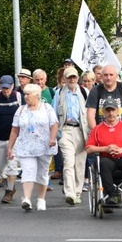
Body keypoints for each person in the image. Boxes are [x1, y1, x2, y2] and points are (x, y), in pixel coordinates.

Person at [7, 83, 59, 211]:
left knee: (42, 173)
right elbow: (14, 130)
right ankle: (27, 199)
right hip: (26, 146)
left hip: (44, 146)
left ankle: (41, 199)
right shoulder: (20, 110)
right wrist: (10, 147)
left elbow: (54, 125)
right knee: (28, 171)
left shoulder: (47, 108)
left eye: (28, 94)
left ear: (36, 96)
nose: (25, 97)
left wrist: (52, 138)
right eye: (24, 94)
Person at [85, 98, 122, 206]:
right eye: (108, 110)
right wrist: (105, 148)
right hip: (107, 158)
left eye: (113, 110)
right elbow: (89, 148)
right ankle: (112, 195)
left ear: (118, 111)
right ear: (103, 112)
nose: (111, 113)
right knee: (103, 164)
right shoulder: (97, 129)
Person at [54, 66, 90, 206]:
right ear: (65, 79)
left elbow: (90, 112)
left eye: (74, 77)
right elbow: (54, 114)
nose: (72, 80)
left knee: (80, 164)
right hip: (66, 130)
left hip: (81, 130)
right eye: (69, 77)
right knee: (69, 161)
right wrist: (56, 134)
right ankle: (69, 192)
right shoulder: (59, 93)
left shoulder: (84, 91)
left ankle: (77, 192)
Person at [0, 75, 23, 204]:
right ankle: (10, 186)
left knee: (11, 166)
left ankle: (9, 192)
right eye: (3, 88)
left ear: (12, 86)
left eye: (8, 88)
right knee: (2, 168)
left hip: (15, 138)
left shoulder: (19, 97)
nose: (5, 90)